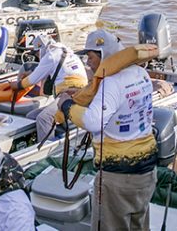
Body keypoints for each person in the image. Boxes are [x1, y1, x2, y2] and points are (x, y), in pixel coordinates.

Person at [57, 29, 157, 230]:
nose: (88, 63)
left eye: (91, 57)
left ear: (104, 54)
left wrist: (67, 106)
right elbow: (121, 104)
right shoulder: (140, 73)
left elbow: (93, 122)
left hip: (118, 177)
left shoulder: (111, 82)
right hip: (146, 173)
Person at [12, 33, 88, 141]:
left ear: (41, 49)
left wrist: (16, 85)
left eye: (37, 53)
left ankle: (46, 151)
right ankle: (37, 141)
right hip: (77, 92)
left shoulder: (51, 55)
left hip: (71, 94)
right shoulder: (66, 51)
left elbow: (32, 80)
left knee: (44, 118)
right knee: (31, 116)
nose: (38, 57)